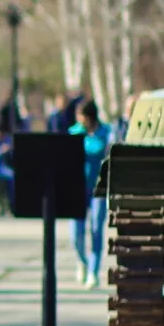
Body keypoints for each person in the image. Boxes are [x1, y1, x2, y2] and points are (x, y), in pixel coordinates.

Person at [70, 99, 113, 289]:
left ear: (89, 116)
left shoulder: (105, 132)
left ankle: (93, 272)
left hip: (98, 187)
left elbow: (106, 152)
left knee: (96, 228)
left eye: (80, 115)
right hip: (77, 187)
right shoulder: (74, 133)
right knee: (76, 234)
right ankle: (82, 261)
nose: (78, 119)